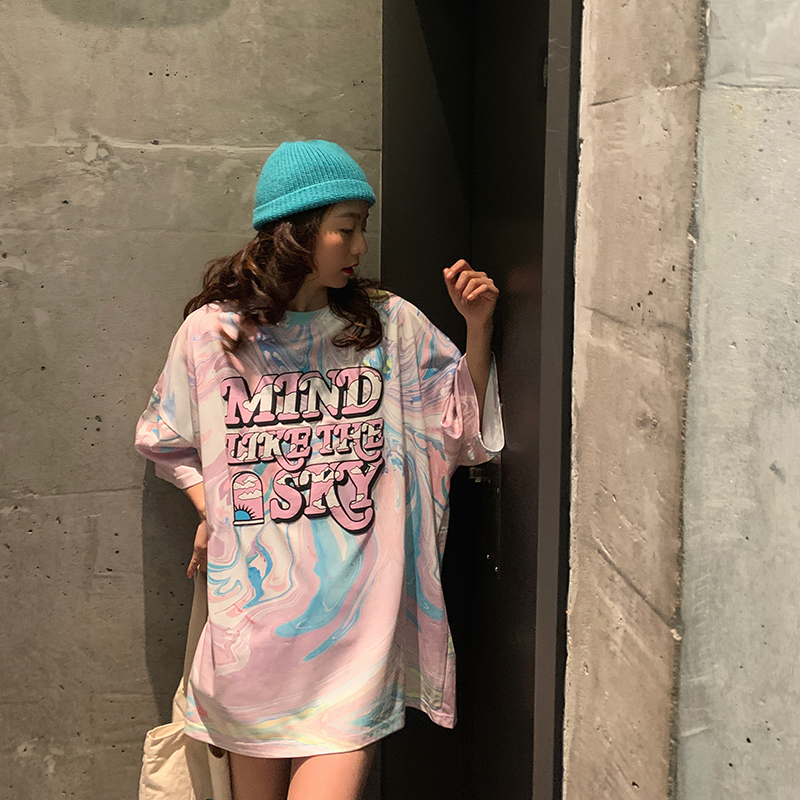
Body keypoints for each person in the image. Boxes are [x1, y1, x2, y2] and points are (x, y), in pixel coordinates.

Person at [135, 140, 504, 800]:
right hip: (252, 631)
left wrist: (478, 328)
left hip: (354, 632)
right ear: (296, 231)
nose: (360, 247)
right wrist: (215, 511)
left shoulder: (389, 326)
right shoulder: (213, 335)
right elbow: (168, 439)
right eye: (346, 229)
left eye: (363, 228)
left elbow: (458, 428)